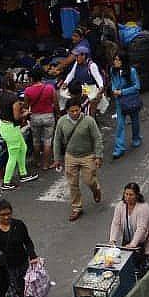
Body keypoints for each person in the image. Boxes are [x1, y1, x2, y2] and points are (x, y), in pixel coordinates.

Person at [53, 93, 103, 222]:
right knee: (72, 184)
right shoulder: (61, 122)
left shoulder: (89, 121)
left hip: (87, 156)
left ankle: (96, 189)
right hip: (71, 156)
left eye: (77, 110)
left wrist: (98, 156)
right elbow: (57, 140)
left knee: (89, 180)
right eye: (72, 111)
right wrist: (57, 158)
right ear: (67, 111)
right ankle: (77, 207)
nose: (75, 113)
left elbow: (97, 138)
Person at [0, 199, 37, 297]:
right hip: (4, 269)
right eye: (2, 215)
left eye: (8, 214)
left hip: (21, 265)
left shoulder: (19, 225)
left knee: (24, 291)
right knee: (9, 296)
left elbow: (27, 241)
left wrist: (32, 256)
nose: (6, 217)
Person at [0, 70, 34, 188]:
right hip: (12, 128)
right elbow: (17, 117)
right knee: (13, 155)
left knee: (23, 147)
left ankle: (23, 173)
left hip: (3, 126)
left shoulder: (0, 95)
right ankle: (6, 181)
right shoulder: (14, 98)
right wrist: (26, 113)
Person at [109, 182, 149, 275]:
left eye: (131, 194)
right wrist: (112, 240)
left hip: (144, 241)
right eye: (126, 194)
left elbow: (141, 228)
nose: (128, 197)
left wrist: (133, 244)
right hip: (128, 239)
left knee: (142, 267)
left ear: (137, 195)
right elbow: (116, 223)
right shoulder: (120, 206)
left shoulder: (143, 208)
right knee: (126, 264)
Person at [110, 49, 143, 160]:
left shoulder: (131, 71)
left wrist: (122, 92)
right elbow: (113, 84)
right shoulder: (113, 71)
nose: (116, 62)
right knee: (120, 124)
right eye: (115, 59)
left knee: (135, 121)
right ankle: (119, 148)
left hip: (131, 100)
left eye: (118, 60)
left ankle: (136, 138)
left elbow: (136, 86)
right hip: (120, 102)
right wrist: (114, 90)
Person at [23, 67, 57, 172]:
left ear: (31, 78)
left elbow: (25, 105)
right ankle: (46, 164)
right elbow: (55, 103)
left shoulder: (28, 90)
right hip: (48, 116)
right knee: (48, 141)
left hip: (35, 117)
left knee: (36, 141)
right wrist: (58, 114)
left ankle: (37, 162)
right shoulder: (50, 88)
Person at [63, 41, 105, 111]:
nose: (76, 58)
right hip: (79, 87)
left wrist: (101, 87)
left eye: (77, 56)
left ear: (84, 55)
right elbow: (71, 74)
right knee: (64, 94)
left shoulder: (91, 65)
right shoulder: (76, 63)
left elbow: (99, 78)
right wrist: (66, 82)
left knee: (85, 99)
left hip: (89, 88)